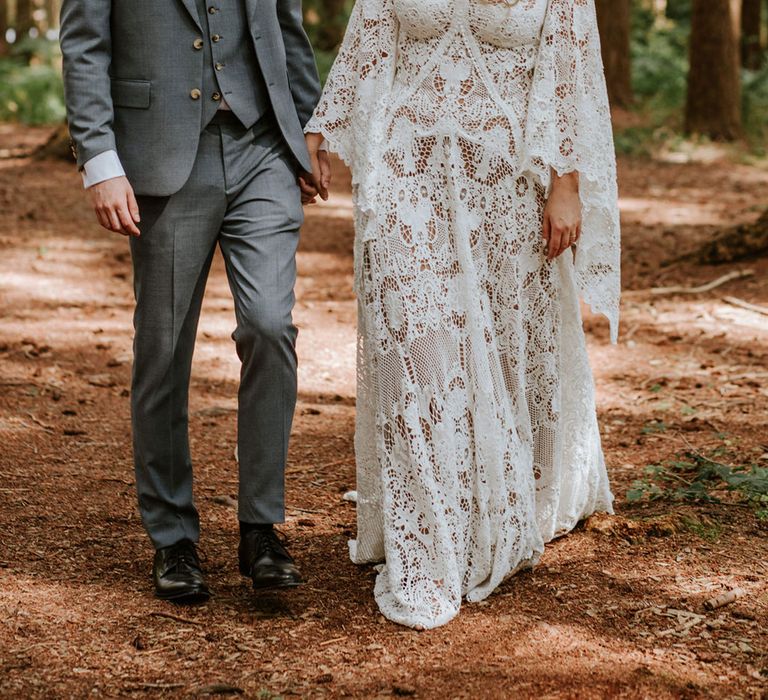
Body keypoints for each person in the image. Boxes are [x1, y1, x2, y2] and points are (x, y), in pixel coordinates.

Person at [303, 0, 620, 629]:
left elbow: (569, 68)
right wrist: (322, 127)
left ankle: (486, 507)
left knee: (498, 353)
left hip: (507, 177)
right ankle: (426, 538)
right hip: (404, 166)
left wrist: (566, 185)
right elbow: (371, 29)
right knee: (410, 340)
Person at [60, 0, 331, 603]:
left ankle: (260, 527)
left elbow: (283, 25)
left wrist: (309, 128)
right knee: (163, 348)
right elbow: (84, 46)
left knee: (269, 325)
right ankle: (172, 535)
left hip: (262, 146)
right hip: (161, 154)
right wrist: (100, 161)